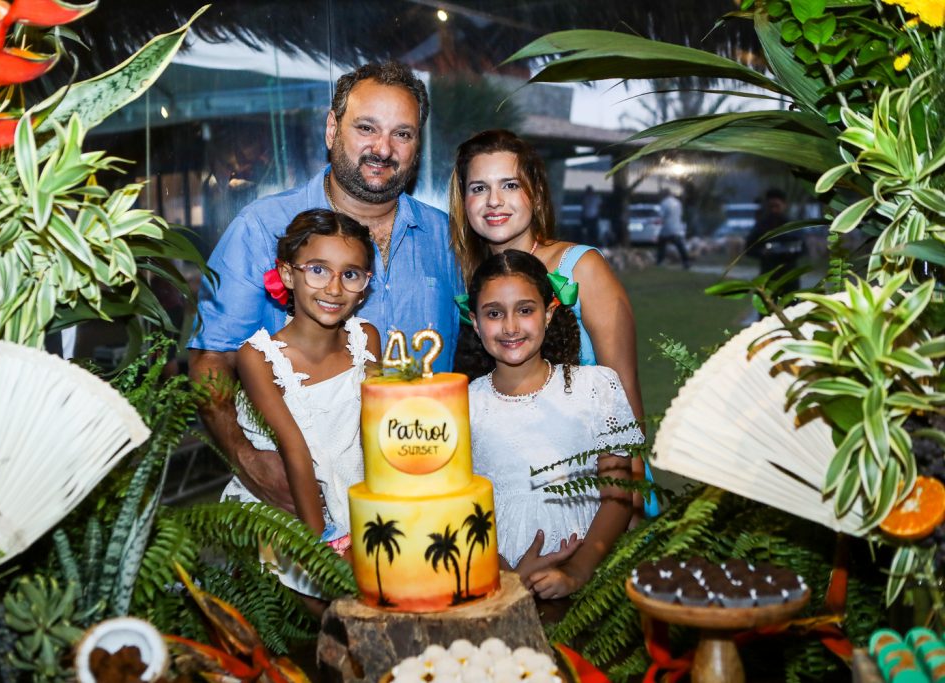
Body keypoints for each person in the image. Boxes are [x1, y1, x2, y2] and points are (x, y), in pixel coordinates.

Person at [190, 62, 463, 513]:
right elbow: (210, 358)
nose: (383, 149)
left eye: (403, 134)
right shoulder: (261, 229)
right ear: (332, 128)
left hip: (420, 491)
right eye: (367, 128)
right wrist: (246, 459)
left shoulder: (448, 237)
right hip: (295, 504)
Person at [448, 129, 656, 519]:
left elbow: (625, 393)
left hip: (592, 485)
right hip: (513, 489)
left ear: (537, 194)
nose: (494, 201)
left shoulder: (581, 268)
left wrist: (630, 498)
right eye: (479, 188)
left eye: (510, 184)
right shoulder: (473, 280)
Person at [465, 250, 643, 599]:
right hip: (496, 582)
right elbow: (461, 510)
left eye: (526, 310)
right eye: (494, 313)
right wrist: (508, 576)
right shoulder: (465, 403)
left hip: (589, 574)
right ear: (475, 321)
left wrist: (576, 571)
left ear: (548, 313)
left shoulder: (596, 387)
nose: (511, 326)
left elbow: (618, 494)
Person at [222, 209, 381, 593]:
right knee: (314, 609)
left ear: (365, 283)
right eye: (318, 270)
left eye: (350, 274)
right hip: (288, 510)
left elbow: (377, 433)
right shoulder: (259, 357)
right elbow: (295, 450)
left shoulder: (367, 340)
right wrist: (318, 552)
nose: (334, 288)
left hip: (354, 498)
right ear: (289, 274)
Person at [747, 188, 803, 292]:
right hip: (768, 275)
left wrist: (790, 251)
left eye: (777, 206)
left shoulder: (793, 226)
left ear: (784, 205)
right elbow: (749, 248)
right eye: (770, 206)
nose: (774, 210)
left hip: (789, 276)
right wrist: (762, 252)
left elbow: (803, 248)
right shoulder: (761, 226)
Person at [656, 188, 690, 269]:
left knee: (661, 244)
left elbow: (661, 216)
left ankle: (660, 261)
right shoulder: (677, 202)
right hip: (677, 227)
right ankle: (686, 261)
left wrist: (657, 222)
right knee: (680, 245)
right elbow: (680, 214)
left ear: (664, 194)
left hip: (667, 228)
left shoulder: (664, 203)